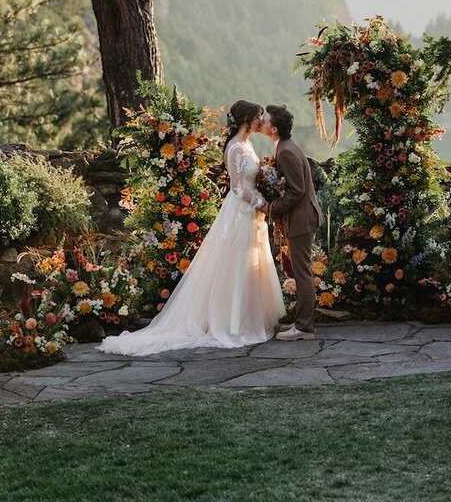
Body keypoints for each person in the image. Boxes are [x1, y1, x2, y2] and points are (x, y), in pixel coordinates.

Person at [97, 100, 285, 354]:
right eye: (257, 117)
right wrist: (264, 204)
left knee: (249, 262)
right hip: (241, 212)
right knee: (237, 263)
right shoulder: (237, 149)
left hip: (249, 214)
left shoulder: (246, 145)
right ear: (245, 120)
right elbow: (239, 188)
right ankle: (232, 321)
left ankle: (248, 316)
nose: (260, 122)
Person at [261, 104, 323, 341]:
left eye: (265, 120)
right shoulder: (284, 147)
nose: (262, 123)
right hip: (300, 218)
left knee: (302, 273)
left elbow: (296, 191)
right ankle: (301, 323)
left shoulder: (286, 151)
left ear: (274, 128)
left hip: (301, 220)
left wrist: (272, 208)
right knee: (300, 271)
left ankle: (305, 327)